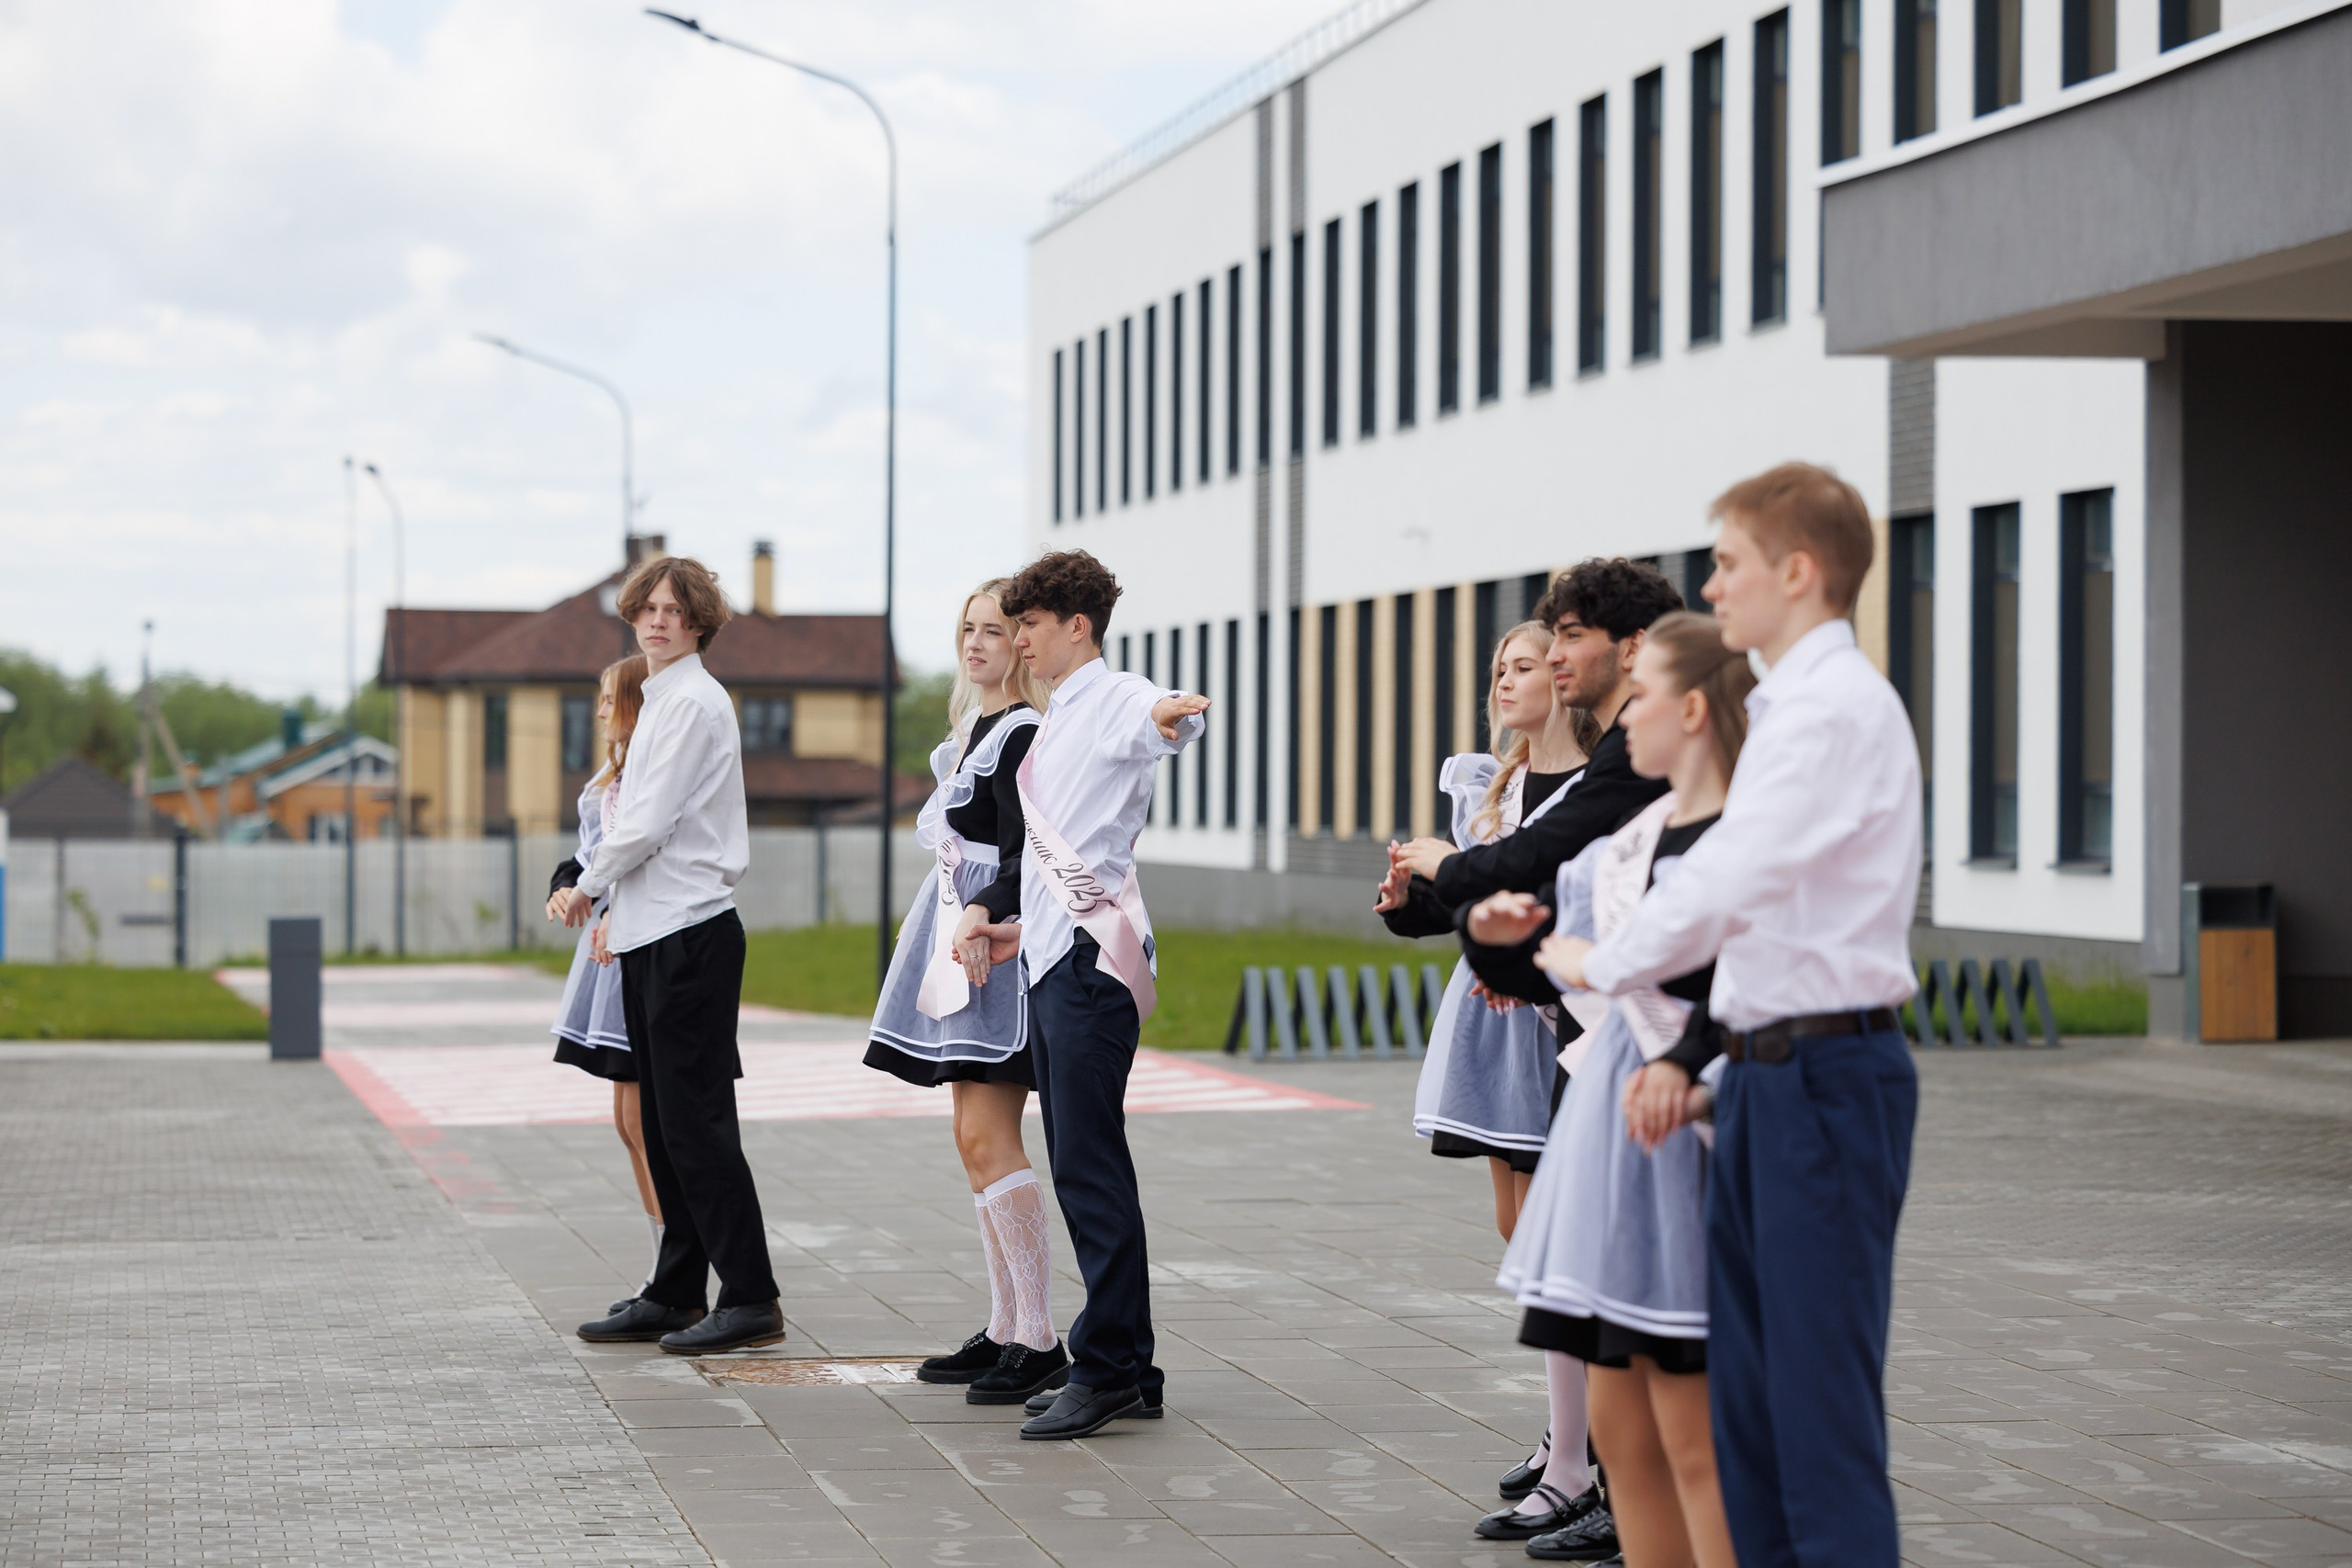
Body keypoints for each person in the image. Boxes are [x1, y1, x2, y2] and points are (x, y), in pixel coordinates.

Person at [1541, 463, 1924, 1568]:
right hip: (1764, 1077)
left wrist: (1604, 963)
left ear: (1798, 573)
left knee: (1814, 1424)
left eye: (1728, 564)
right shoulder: (1800, 707)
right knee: (1751, 1417)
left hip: (1821, 1076)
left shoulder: (1832, 710)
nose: (1710, 589)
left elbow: (1732, 879)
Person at [1382, 558, 1679, 1546]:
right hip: (1600, 1037)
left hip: (1639, 1046)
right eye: (1527, 650)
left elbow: (1538, 876)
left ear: (1626, 650)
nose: (1544, 662)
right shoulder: (1617, 754)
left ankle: (1608, 1487)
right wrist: (1449, 902)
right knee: (1586, 1274)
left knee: (1623, 1283)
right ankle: (1601, 1481)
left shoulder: (1639, 751)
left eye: (1562, 641)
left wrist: (1450, 875)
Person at [1476, 612, 1756, 1567]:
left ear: (1691, 706)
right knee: (1619, 1420)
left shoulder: (1749, 838)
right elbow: (1543, 967)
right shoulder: (1627, 840)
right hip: (1608, 1121)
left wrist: (1674, 1051)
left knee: (1688, 1426)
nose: (1625, 718)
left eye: (1643, 698)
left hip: (1690, 1124)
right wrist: (1502, 934)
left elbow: (1751, 989)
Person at [963, 549, 1207, 1441]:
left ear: (1078, 626)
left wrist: (1172, 712)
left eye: (1030, 623)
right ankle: (1130, 1366)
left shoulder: (1109, 696)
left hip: (1089, 971)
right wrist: (1011, 929)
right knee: (1083, 1160)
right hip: (1056, 954)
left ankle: (1102, 1366)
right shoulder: (1059, 714)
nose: (1019, 638)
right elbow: (1070, 856)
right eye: (1013, 623)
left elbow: (1157, 717)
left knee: (1088, 1167)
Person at [562, 555, 786, 1356]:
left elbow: (647, 819)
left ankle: (751, 1295)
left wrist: (585, 884)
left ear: (699, 623)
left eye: (674, 610)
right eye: (647, 609)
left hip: (691, 931)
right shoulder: (659, 700)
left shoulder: (692, 703)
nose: (658, 620)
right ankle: (677, 1290)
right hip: (652, 932)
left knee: (696, 1124)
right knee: (663, 1124)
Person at [865, 581, 1067, 1406]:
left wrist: (986, 911)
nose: (978, 643)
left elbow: (1026, 853)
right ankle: (1007, 1323)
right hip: (957, 935)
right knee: (969, 1136)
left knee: (991, 1135)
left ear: (1022, 644)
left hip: (994, 946)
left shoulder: (1021, 732)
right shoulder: (968, 735)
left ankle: (1040, 1335)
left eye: (994, 629)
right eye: (968, 629)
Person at [547, 654, 659, 1309]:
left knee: (644, 1118)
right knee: (626, 1117)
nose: (597, 710)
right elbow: (587, 857)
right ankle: (659, 1265)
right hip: (605, 951)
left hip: (634, 945)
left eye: (608, 697)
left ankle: (675, 1267)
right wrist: (566, 887)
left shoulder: (648, 774)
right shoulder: (608, 779)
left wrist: (605, 901)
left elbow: (639, 856)